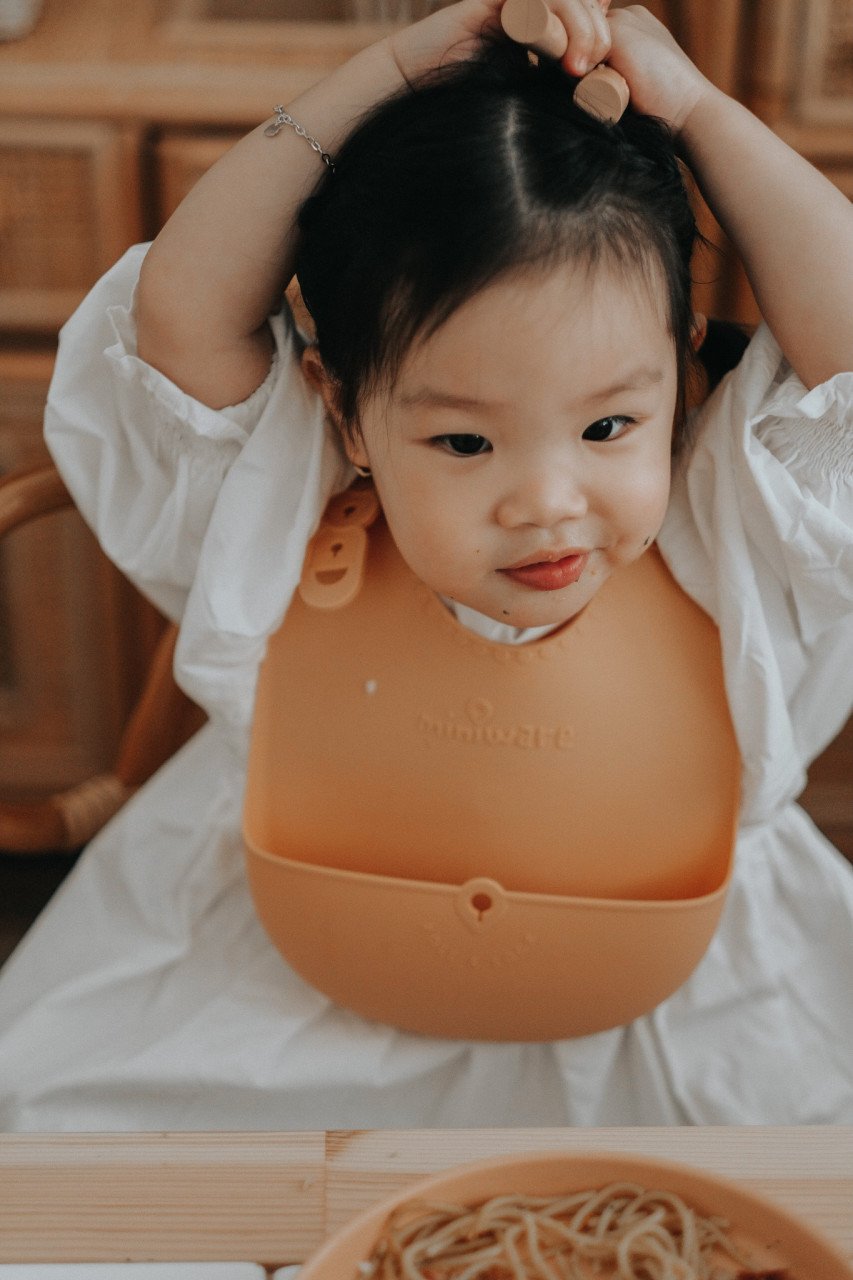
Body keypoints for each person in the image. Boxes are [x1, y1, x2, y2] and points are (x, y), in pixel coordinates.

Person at [1, 1, 851, 1129]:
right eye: (462, 442)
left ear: (685, 379)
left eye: (606, 428)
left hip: (693, 1008)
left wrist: (693, 109)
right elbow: (183, 314)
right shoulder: (282, 508)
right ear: (347, 415)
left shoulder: (733, 531)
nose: (546, 503)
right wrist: (392, 69)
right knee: (58, 1164)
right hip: (270, 996)